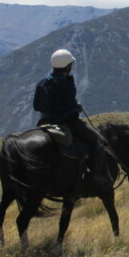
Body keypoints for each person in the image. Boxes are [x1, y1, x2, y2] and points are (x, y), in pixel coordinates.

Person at [33, 49, 110, 186]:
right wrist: (75, 108)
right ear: (67, 67)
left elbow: (36, 106)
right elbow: (71, 112)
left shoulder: (41, 83)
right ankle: (96, 175)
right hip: (66, 123)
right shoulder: (67, 83)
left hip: (44, 122)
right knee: (98, 141)